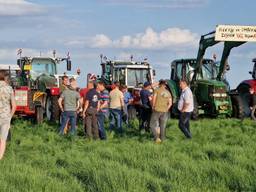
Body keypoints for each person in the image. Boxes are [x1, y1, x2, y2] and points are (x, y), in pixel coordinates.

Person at [0, 71, 16, 160]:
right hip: (5, 116)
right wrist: (9, 117)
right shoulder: (9, 88)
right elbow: (14, 106)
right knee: (3, 139)